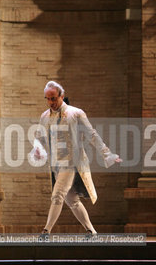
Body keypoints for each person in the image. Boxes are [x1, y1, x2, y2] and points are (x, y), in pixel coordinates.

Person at [31, 81, 122, 236]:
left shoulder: (76, 113)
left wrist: (107, 154)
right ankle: (91, 231)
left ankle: (46, 231)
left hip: (72, 162)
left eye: (53, 98)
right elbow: (39, 138)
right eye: (47, 99)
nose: (50, 102)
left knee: (57, 194)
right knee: (72, 200)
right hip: (56, 165)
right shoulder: (45, 116)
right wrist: (37, 149)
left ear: (62, 96)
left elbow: (92, 135)